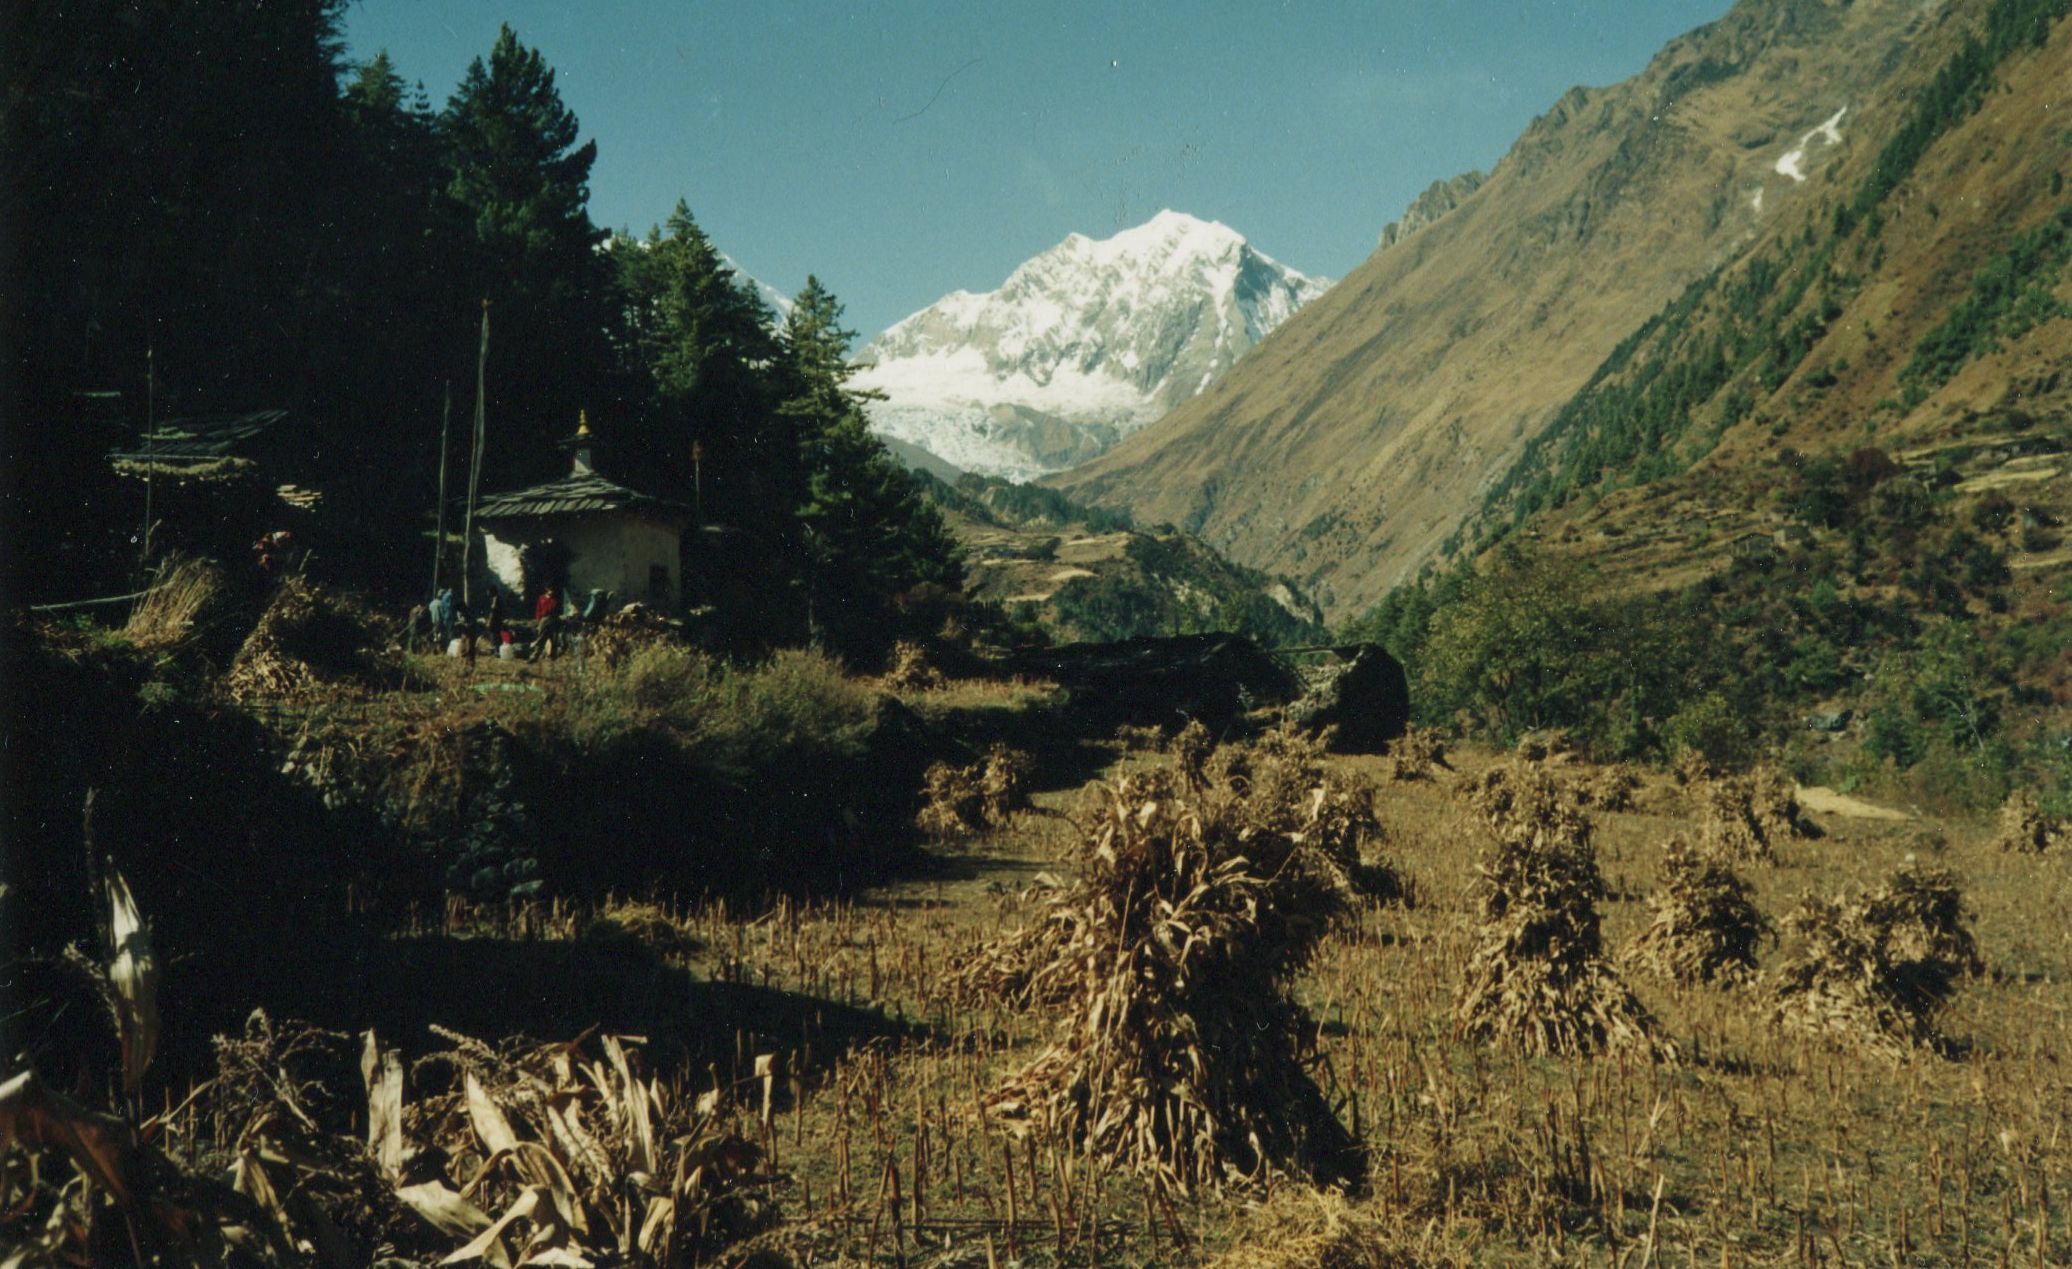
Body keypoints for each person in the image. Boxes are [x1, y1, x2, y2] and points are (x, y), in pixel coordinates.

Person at [529, 585, 562, 661]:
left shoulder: (555, 600)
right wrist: (539, 620)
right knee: (541, 638)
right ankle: (535, 655)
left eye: (553, 590)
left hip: (553, 619)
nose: (551, 591)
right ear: (547, 589)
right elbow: (538, 609)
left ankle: (552, 656)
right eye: (550, 589)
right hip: (544, 620)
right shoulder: (542, 598)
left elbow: (557, 611)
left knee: (553, 639)